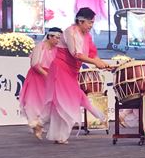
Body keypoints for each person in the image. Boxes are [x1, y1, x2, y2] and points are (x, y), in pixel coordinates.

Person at [40, 8, 109, 144]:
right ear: (80, 21)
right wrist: (95, 62)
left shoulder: (87, 36)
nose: (91, 26)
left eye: (92, 23)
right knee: (66, 102)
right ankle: (44, 125)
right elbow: (76, 54)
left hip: (71, 72)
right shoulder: (70, 32)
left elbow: (92, 52)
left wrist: (102, 63)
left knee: (66, 102)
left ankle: (57, 134)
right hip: (60, 69)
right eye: (89, 23)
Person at [19, 27, 62, 138]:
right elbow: (35, 64)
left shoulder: (57, 50)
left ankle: (40, 125)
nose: (58, 41)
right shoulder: (40, 46)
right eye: (57, 38)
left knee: (49, 103)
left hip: (49, 78)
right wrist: (47, 75)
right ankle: (36, 125)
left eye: (59, 39)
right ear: (49, 36)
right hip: (37, 77)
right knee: (34, 101)